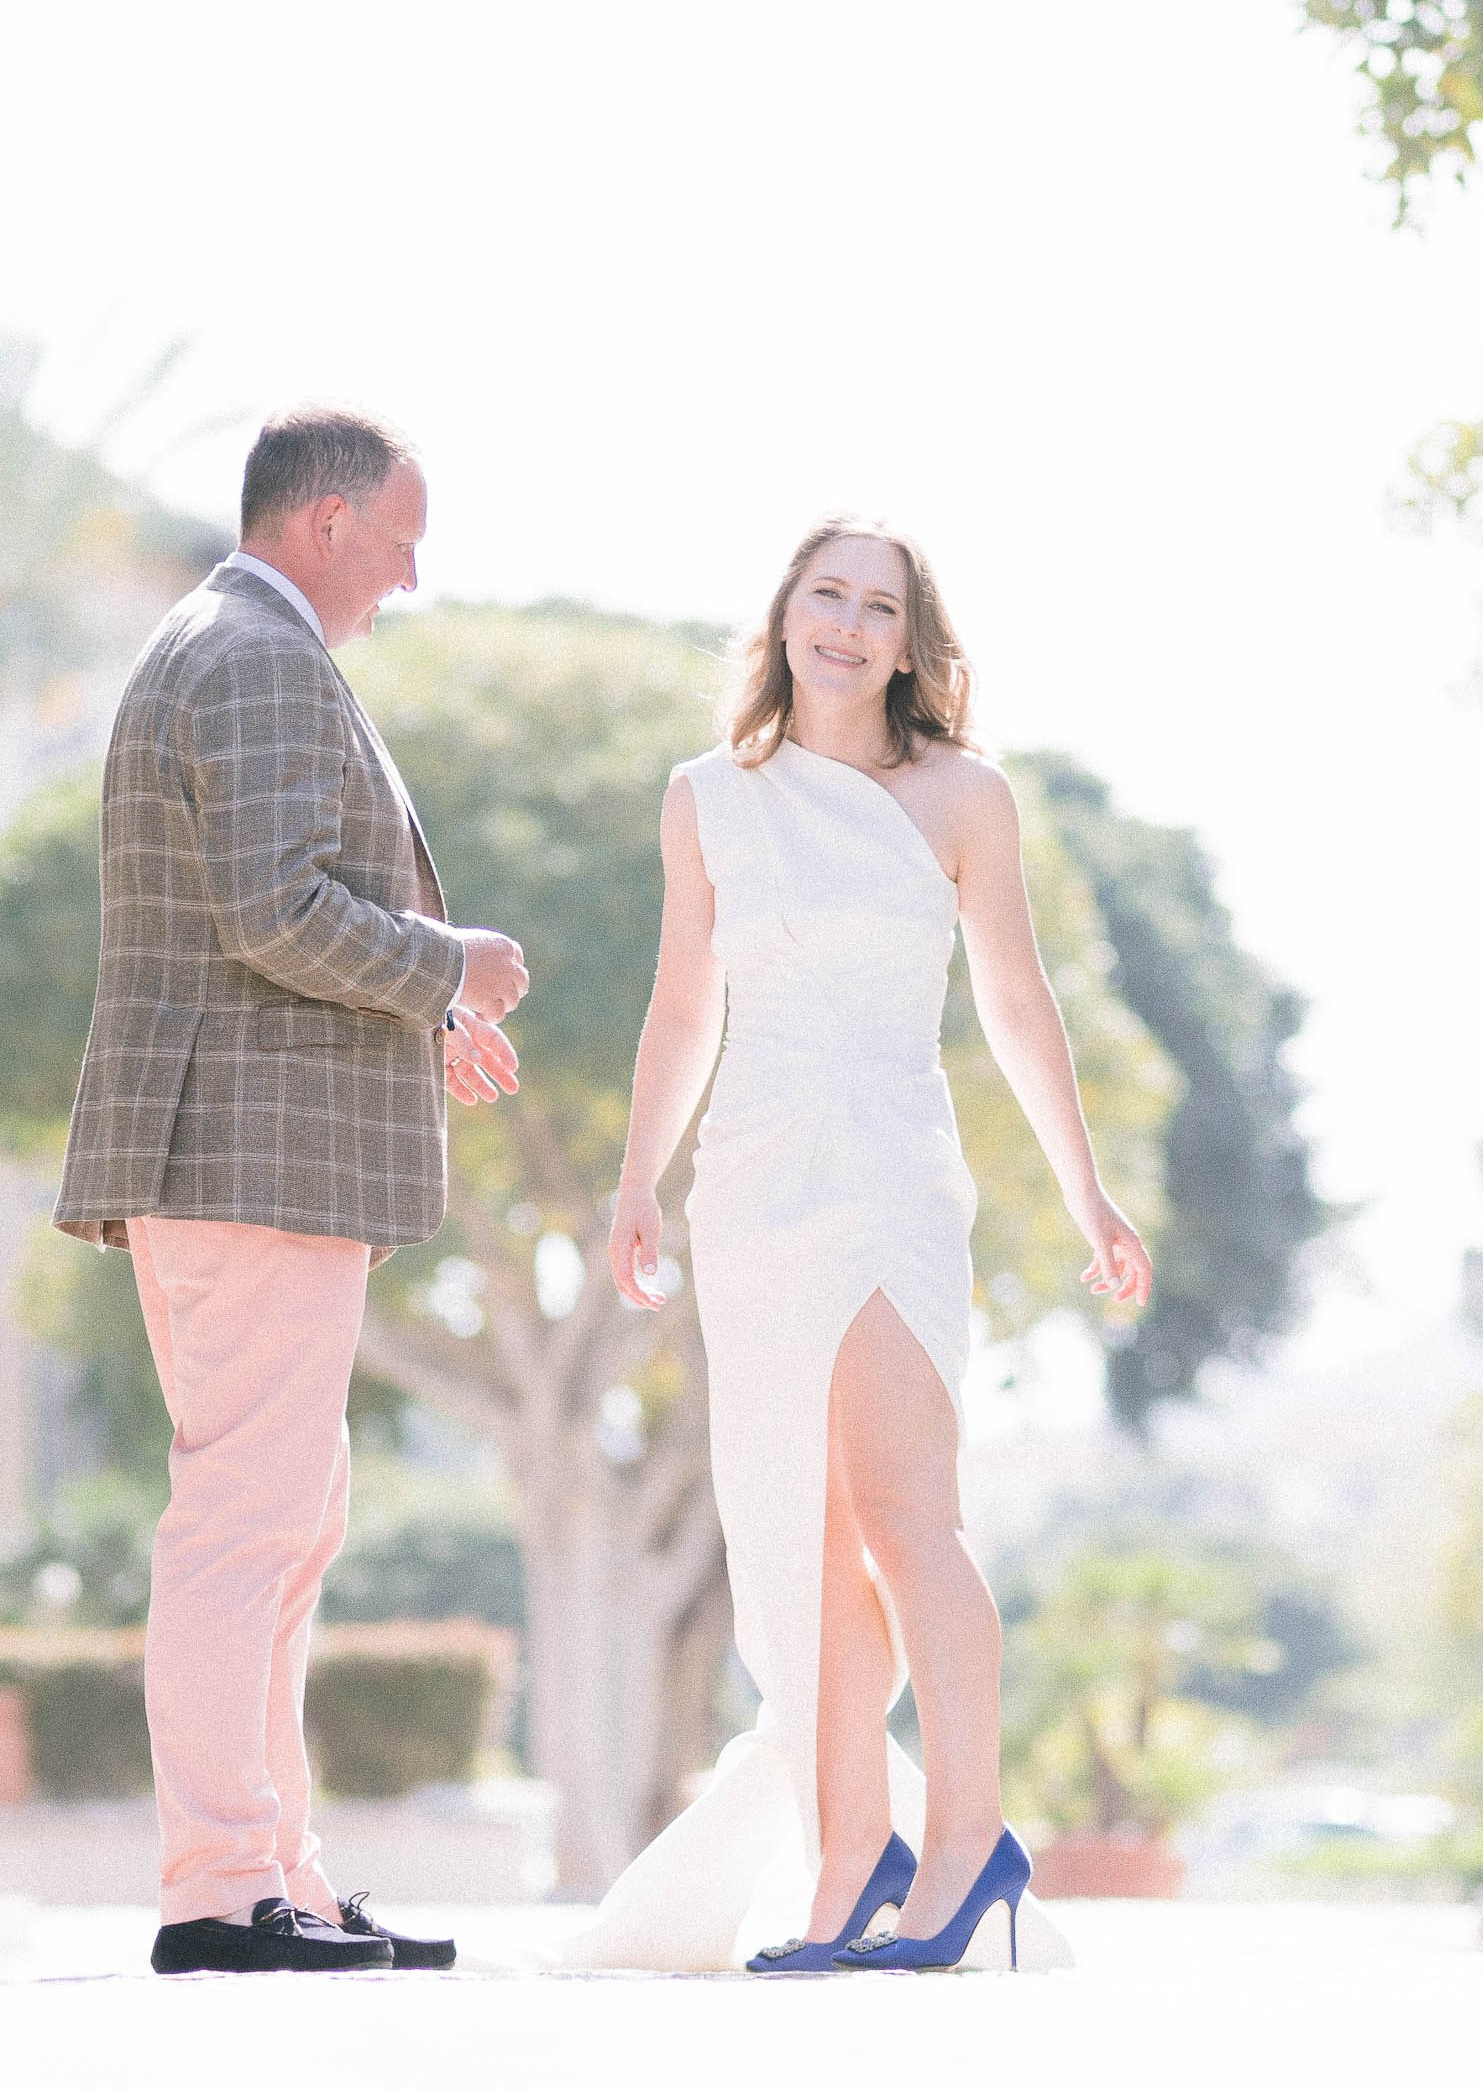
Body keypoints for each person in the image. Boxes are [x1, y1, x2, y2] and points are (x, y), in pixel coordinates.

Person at [571, 516, 1152, 1975]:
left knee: (907, 1516)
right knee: (799, 1548)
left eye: (876, 606)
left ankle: (967, 1843)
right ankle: (844, 1870)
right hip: (750, 1188)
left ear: (910, 641)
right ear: (782, 617)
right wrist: (638, 1179)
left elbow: (1019, 1006)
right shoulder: (706, 795)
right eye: (823, 595)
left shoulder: (964, 797)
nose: (844, 625)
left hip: (887, 1171)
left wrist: (1087, 1191)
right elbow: (682, 1007)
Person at [53, 406, 530, 1976]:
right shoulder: (255, 651)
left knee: (283, 1521)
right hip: (246, 1155)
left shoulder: (241, 642)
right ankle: (219, 1888)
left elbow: (262, 910)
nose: (407, 573)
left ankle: (280, 1875)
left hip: (249, 1149)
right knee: (247, 1526)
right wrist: (445, 965)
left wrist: (429, 1012)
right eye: (398, 537)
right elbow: (275, 907)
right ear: (325, 521)